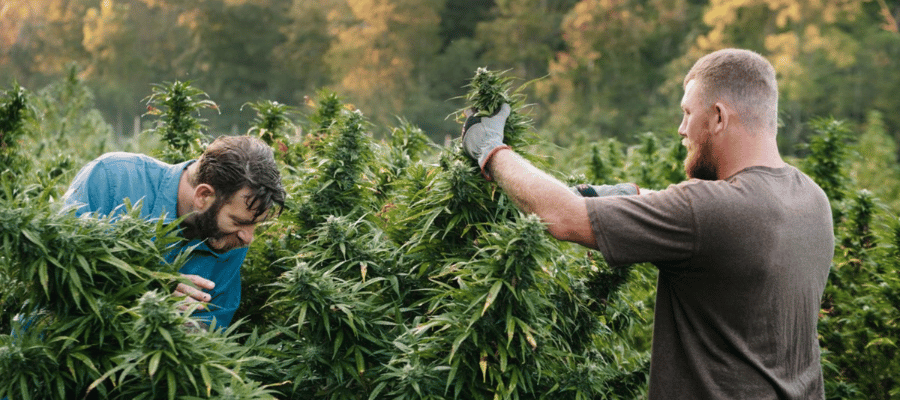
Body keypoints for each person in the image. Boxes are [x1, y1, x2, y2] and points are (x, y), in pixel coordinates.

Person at [461, 49, 834, 398]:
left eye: (687, 113)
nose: (681, 129)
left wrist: (491, 150)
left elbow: (563, 217)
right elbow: (705, 219)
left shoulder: (709, 211)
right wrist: (626, 195)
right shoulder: (811, 199)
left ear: (719, 117)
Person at [63, 135, 286, 329]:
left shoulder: (231, 240)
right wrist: (146, 287)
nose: (248, 238)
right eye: (238, 221)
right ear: (204, 196)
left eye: (255, 225)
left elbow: (210, 330)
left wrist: (185, 329)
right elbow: (59, 265)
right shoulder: (113, 177)